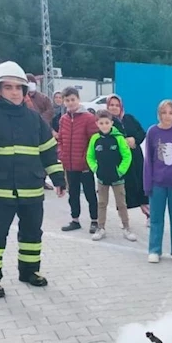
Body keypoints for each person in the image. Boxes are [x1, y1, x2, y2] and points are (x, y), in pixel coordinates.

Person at [0, 61, 65, 299]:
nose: (14, 92)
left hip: (31, 189)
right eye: (8, 87)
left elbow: (48, 150)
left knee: (32, 234)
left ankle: (29, 272)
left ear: (25, 91)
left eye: (18, 88)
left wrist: (58, 177)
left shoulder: (35, 119)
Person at [144, 99, 172, 264]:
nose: (167, 116)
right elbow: (149, 160)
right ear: (159, 114)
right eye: (164, 112)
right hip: (158, 183)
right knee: (156, 218)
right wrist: (148, 185)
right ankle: (154, 249)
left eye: (170, 112)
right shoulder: (152, 132)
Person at [86, 110, 135, 242]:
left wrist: (120, 171)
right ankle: (101, 228)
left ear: (111, 123)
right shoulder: (94, 139)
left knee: (122, 203)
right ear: (97, 123)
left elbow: (127, 156)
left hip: (117, 179)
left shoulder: (118, 138)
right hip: (102, 178)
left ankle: (126, 228)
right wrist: (95, 168)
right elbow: (90, 156)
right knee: (102, 203)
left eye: (107, 123)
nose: (104, 125)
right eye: (101, 123)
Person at [57, 86, 100, 233]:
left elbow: (94, 141)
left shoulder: (88, 118)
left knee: (90, 194)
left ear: (78, 100)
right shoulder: (63, 119)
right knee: (73, 194)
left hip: (85, 165)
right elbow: (61, 139)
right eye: (67, 100)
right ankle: (75, 220)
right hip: (69, 165)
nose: (70, 103)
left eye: (73, 99)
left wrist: (87, 160)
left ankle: (95, 220)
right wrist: (61, 154)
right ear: (64, 102)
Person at [105, 94, 148, 222]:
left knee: (141, 187)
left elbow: (142, 132)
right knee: (123, 191)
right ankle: (124, 221)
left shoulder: (129, 118)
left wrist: (134, 139)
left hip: (136, 159)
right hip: (120, 162)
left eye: (117, 105)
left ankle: (149, 215)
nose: (114, 108)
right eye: (111, 105)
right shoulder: (106, 122)